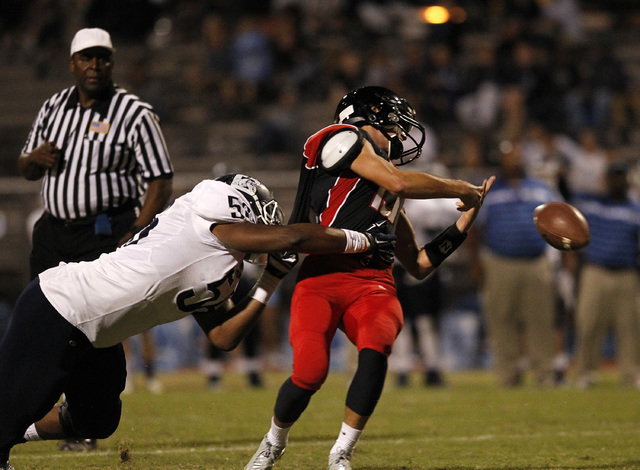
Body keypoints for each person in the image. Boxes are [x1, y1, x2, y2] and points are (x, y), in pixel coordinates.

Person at [0, 174, 396, 470]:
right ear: (241, 203)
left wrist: (269, 282)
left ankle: (15, 431)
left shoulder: (222, 266)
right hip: (60, 306)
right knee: (12, 408)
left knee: (95, 419)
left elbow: (224, 337)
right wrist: (359, 239)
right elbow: (292, 238)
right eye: (263, 217)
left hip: (95, 336)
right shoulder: (211, 215)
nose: (266, 226)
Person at [244, 86, 494, 470]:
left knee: (376, 349)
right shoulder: (338, 138)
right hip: (321, 277)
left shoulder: (384, 190)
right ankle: (273, 442)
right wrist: (462, 187)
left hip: (372, 283)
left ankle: (341, 451)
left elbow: (420, 264)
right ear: (364, 117)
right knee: (309, 372)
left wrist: (462, 225)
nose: (398, 134)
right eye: (393, 124)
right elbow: (398, 181)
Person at [17, 27, 174, 449]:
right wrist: (34, 160)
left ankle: (82, 416)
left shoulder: (133, 112)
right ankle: (30, 413)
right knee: (44, 325)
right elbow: (26, 165)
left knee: (92, 332)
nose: (94, 65)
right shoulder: (53, 107)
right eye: (86, 57)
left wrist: (139, 230)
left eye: (102, 57)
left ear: (112, 62)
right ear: (72, 63)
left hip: (103, 232)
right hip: (53, 232)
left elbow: (160, 178)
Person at [468, 140, 562, 387]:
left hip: (536, 261)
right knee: (501, 319)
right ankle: (508, 373)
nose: (514, 161)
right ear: (500, 160)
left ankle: (544, 373)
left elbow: (559, 219)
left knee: (541, 319)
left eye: (517, 156)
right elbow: (474, 229)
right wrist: (476, 263)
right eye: (509, 157)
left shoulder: (541, 188)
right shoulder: (489, 191)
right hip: (500, 262)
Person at [571, 161, 640, 388]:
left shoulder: (635, 209)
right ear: (606, 180)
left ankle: (631, 374)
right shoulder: (592, 204)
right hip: (595, 271)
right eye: (614, 177)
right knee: (588, 324)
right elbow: (566, 198)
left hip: (627, 274)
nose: (618, 181)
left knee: (630, 327)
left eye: (621, 177)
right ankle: (586, 372)